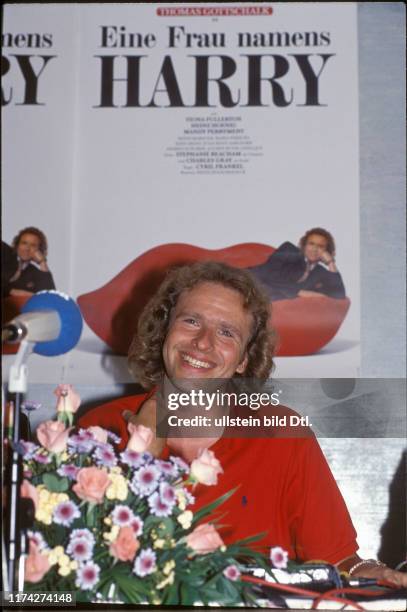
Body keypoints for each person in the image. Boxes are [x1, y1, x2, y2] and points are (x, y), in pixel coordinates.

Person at [78, 261, 405, 586]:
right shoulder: (98, 430)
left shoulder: (283, 434)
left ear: (244, 359)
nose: (203, 342)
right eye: (191, 321)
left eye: (226, 332)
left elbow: (338, 563)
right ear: (165, 330)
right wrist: (144, 446)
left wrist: (370, 574)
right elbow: (78, 565)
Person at [247, 227, 346, 301]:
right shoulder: (289, 250)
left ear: (326, 251)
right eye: (311, 244)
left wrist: (331, 262)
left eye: (320, 246)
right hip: (247, 280)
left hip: (268, 298)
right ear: (303, 245)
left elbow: (339, 294)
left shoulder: (319, 272)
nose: (315, 249)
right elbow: (268, 275)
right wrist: (299, 292)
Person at [6, 227, 56, 297]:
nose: (27, 248)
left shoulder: (35, 272)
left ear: (39, 250)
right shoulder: (5, 260)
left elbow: (49, 297)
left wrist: (42, 262)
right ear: (17, 245)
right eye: (24, 243)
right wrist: (11, 291)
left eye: (33, 245)